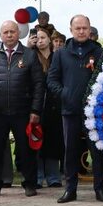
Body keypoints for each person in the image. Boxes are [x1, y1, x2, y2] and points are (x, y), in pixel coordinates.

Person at [0, 20, 43, 198]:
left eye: (12, 32)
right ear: (0, 35)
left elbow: (38, 85)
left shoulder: (29, 55)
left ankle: (29, 183)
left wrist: (36, 110)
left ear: (18, 33)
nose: (9, 35)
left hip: (23, 112)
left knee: (26, 151)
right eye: (5, 32)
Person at [48, 15, 103, 203]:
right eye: (78, 28)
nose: (82, 31)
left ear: (89, 29)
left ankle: (100, 189)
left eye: (85, 28)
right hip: (70, 110)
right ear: (71, 30)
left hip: (94, 112)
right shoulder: (61, 53)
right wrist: (65, 93)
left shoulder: (99, 52)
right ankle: (70, 189)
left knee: (96, 152)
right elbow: (51, 80)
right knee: (71, 151)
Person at [33, 28, 64, 187]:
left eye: (43, 37)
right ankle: (37, 176)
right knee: (36, 140)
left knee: (53, 141)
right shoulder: (30, 56)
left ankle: (53, 177)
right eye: (37, 38)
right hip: (36, 104)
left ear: (49, 40)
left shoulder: (57, 56)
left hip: (54, 104)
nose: (40, 40)